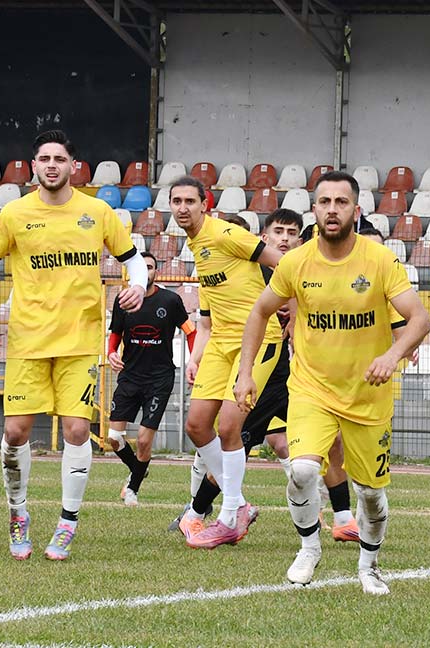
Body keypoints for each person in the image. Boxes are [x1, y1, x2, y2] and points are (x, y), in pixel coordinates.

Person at [234, 170, 430, 595]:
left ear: (355, 211)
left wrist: (392, 355)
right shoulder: (295, 262)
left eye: (341, 202)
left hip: (367, 395)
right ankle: (309, 547)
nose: (332, 209)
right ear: (315, 210)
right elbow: (260, 312)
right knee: (302, 470)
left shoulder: (380, 260)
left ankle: (369, 566)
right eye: (325, 202)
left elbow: (419, 319)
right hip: (312, 389)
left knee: (370, 495)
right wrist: (245, 372)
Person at [0, 130, 147, 561]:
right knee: (15, 431)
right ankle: (18, 514)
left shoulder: (97, 211)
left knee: (78, 430)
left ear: (74, 166)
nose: (52, 165)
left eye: (60, 158)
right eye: (45, 159)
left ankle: (68, 522)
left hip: (80, 341)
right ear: (34, 166)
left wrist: (139, 286)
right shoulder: (14, 213)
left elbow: (133, 259)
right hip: (27, 339)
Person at [169, 175, 283, 549]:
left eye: (190, 201)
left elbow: (282, 263)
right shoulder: (196, 244)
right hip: (221, 341)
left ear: (205, 204)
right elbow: (208, 314)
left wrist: (292, 309)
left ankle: (230, 516)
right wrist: (197, 355)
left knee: (230, 426)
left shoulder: (225, 234)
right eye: (176, 201)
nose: (183, 208)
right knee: (197, 424)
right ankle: (241, 505)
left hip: (257, 339)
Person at [107, 251, 196, 506]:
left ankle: (132, 489)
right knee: (114, 438)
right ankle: (138, 468)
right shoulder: (123, 301)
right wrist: (111, 352)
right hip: (130, 377)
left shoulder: (170, 300)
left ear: (156, 272)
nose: (146, 272)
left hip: (159, 379)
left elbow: (191, 332)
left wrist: (194, 360)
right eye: (142, 267)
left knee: (144, 441)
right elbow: (115, 334)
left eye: (150, 267)